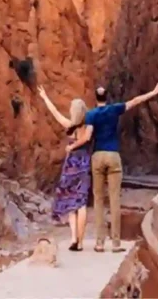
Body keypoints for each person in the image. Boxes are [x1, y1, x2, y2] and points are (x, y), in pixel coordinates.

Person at [85, 80, 158, 252]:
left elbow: (88, 136)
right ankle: (115, 243)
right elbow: (135, 101)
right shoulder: (114, 109)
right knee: (114, 199)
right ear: (107, 97)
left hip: (98, 155)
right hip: (113, 155)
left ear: (95, 98)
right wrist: (154, 91)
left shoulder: (91, 115)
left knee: (98, 200)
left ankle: (99, 243)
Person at [38, 86, 93, 251]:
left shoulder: (70, 126)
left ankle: (73, 238)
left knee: (70, 202)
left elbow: (55, 113)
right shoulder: (89, 127)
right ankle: (81, 242)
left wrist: (45, 97)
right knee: (81, 203)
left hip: (70, 166)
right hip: (84, 165)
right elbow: (89, 139)